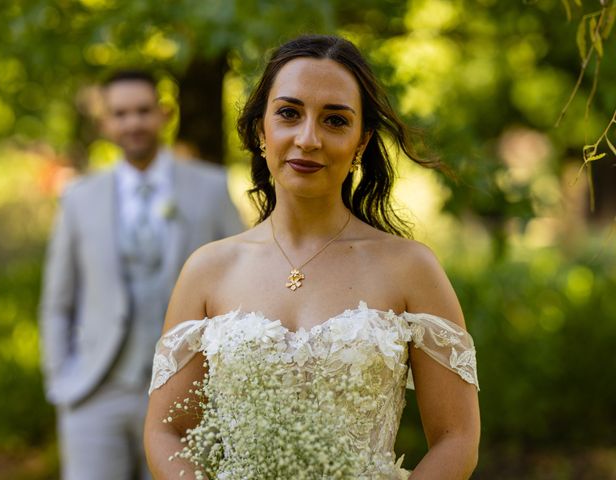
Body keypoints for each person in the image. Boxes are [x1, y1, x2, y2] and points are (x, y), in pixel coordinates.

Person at [145, 35, 480, 480]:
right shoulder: (208, 269)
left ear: (361, 142)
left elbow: (457, 437)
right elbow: (166, 432)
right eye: (289, 113)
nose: (308, 139)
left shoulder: (411, 268)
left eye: (335, 121)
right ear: (262, 131)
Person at [39, 69, 243, 480]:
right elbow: (57, 302)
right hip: (97, 391)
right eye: (120, 113)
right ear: (105, 124)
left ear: (164, 114)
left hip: (190, 394)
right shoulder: (79, 199)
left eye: (143, 111)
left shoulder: (211, 186)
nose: (133, 122)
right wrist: (61, 380)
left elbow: (243, 283)